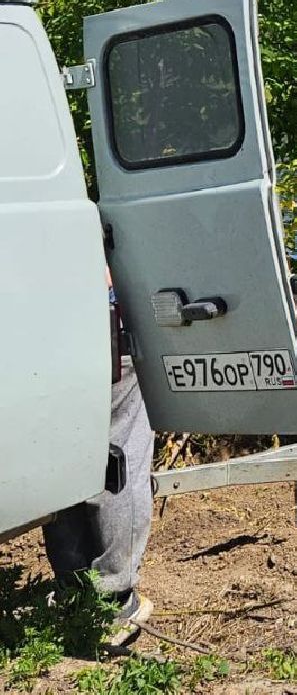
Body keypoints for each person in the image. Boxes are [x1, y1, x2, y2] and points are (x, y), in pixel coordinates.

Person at [42, 269, 154, 645]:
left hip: (39, 335)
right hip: (99, 328)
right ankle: (115, 599)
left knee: (61, 453)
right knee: (123, 452)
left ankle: (73, 589)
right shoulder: (85, 210)